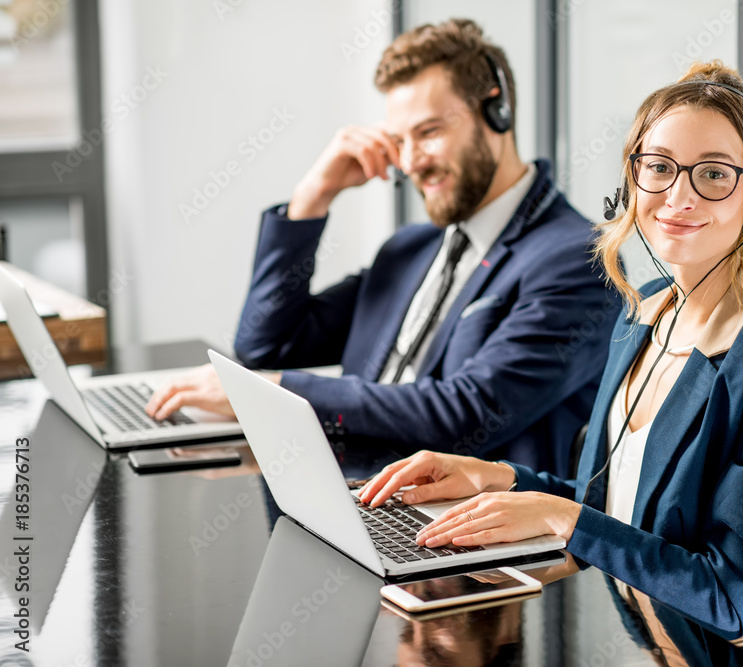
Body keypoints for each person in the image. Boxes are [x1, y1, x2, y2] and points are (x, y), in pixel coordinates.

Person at [359, 61, 743, 665]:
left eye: (713, 174)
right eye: (658, 167)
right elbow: (608, 504)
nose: (677, 197)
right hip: (644, 637)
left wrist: (563, 518)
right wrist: (493, 477)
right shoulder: (644, 316)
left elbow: (730, 593)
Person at [144, 19, 619, 476]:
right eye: (398, 141)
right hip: (354, 491)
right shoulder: (410, 248)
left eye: (430, 132)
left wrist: (276, 393)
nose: (411, 163)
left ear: (497, 112)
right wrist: (313, 198)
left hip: (467, 534)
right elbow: (265, 347)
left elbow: (467, 416)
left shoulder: (577, 258)